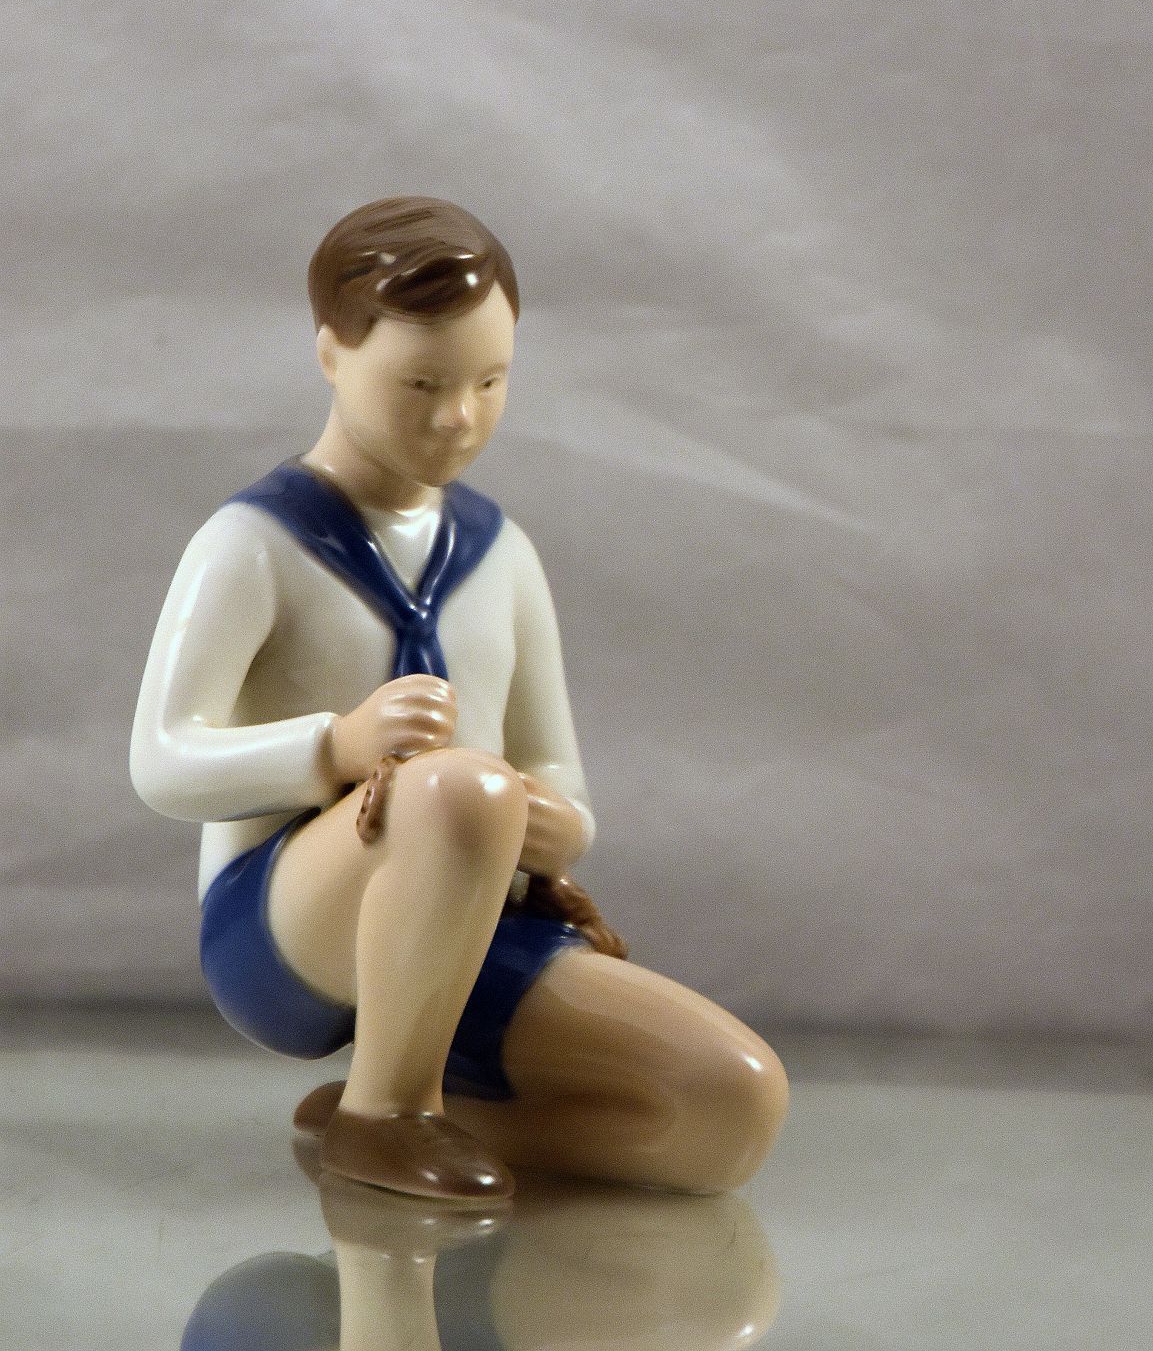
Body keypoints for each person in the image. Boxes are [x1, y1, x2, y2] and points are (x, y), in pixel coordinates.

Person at [132, 197, 788, 1201]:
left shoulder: (501, 554)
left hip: (470, 931)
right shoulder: (255, 544)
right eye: (421, 384)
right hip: (287, 928)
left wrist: (559, 825)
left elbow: (552, 762)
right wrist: (333, 747)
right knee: (460, 791)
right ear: (331, 355)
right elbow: (162, 761)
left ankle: (435, 1113)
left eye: (489, 382)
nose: (458, 417)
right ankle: (383, 1115)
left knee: (725, 1110)